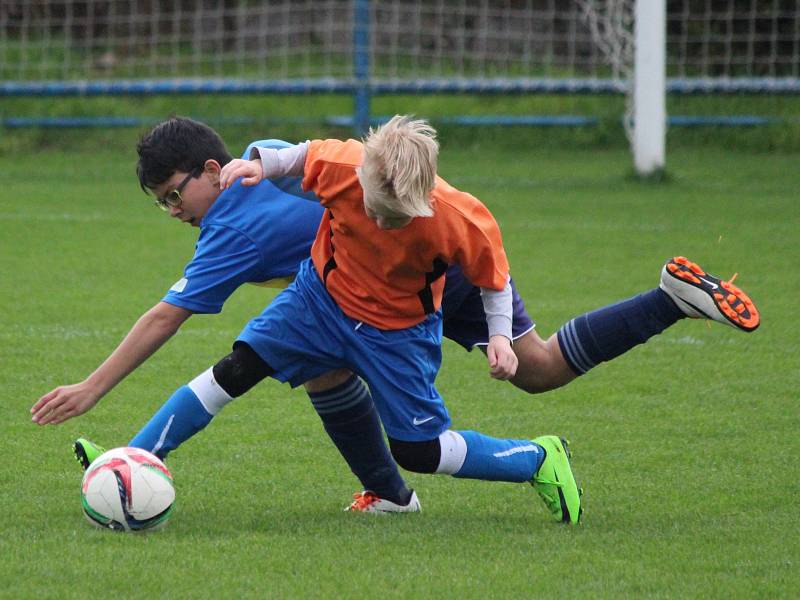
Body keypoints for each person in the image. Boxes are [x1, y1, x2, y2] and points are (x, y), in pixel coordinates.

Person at [31, 116, 759, 522]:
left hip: (424, 298)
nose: (171, 211)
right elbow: (304, 156)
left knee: (535, 373)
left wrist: (500, 341)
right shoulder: (331, 168)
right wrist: (264, 163)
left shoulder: (456, 222)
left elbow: (493, 276)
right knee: (256, 366)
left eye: (170, 195)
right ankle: (134, 462)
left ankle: (658, 314)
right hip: (331, 293)